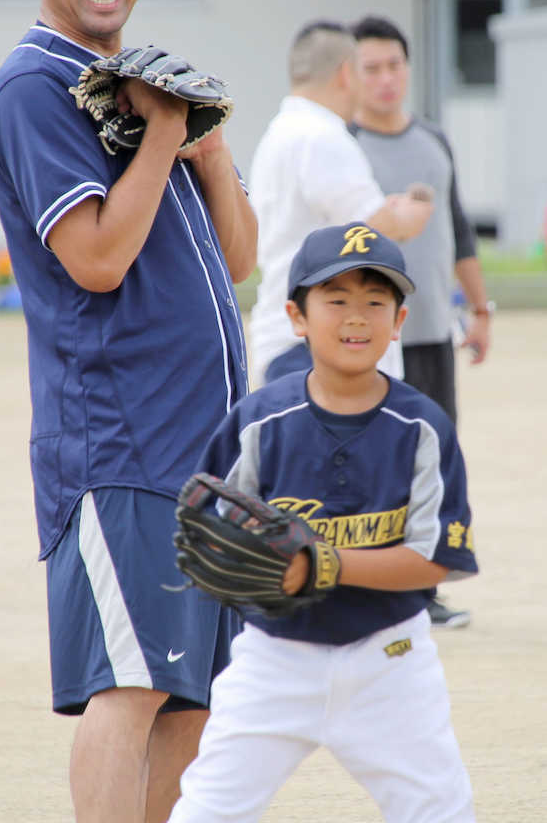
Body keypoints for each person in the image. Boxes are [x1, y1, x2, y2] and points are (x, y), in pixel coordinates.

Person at [0, 0, 257, 823]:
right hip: (120, 442)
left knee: (190, 698)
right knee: (132, 684)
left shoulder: (136, 86)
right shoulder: (36, 89)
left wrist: (207, 147)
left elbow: (236, 258)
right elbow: (95, 259)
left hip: (204, 448)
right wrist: (156, 133)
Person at [167, 222, 479, 823]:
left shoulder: (423, 428)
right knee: (209, 810)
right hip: (272, 657)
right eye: (335, 300)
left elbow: (438, 557)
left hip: (389, 658)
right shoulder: (260, 421)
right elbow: (203, 524)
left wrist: (318, 564)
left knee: (441, 811)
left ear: (400, 322)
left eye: (375, 301)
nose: (356, 318)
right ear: (297, 315)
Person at [350, 14, 492, 628]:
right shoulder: (343, 146)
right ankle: (372, 589)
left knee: (434, 461)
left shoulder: (433, 139)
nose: (385, 79)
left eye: (394, 66)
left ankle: (421, 591)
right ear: (351, 76)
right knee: (378, 463)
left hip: (434, 330)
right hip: (375, 343)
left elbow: (458, 229)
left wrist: (479, 309)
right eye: (372, 68)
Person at [248, 20, 432, 390]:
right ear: (346, 73)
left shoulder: (280, 132)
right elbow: (375, 229)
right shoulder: (323, 136)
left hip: (287, 336)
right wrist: (411, 212)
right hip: (319, 345)